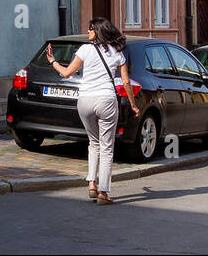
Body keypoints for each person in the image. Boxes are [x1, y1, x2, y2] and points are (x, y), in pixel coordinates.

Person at [45, 16, 139, 204]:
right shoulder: (117, 53)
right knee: (106, 147)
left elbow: (67, 73)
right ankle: (103, 192)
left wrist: (53, 61)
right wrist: (133, 104)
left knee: (93, 142)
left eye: (90, 28)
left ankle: (91, 184)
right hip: (106, 100)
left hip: (85, 100)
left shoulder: (84, 50)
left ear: (98, 31)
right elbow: (126, 81)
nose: (88, 31)